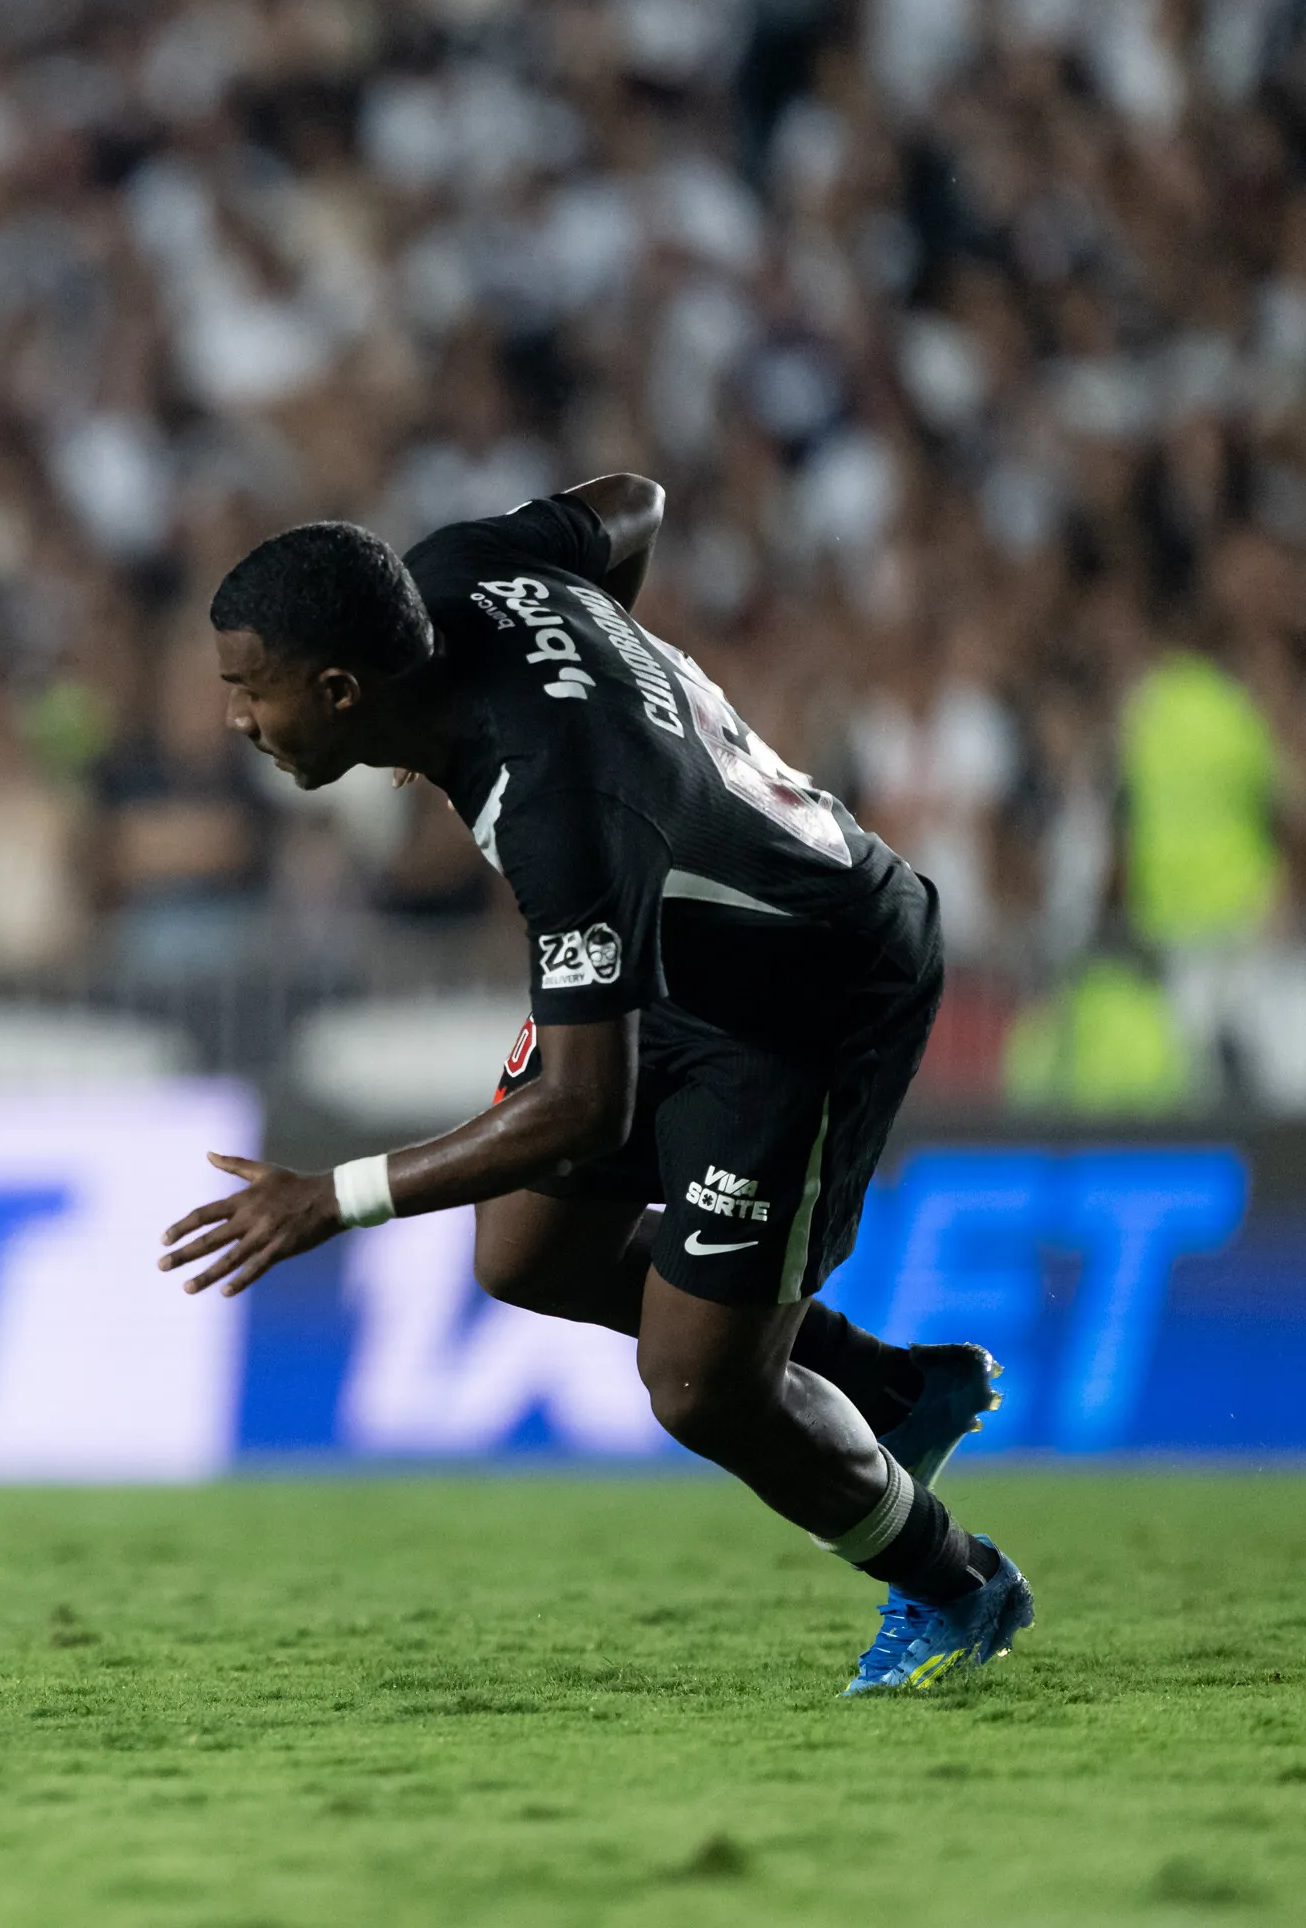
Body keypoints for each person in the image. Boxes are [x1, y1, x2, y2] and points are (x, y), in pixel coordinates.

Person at [157, 478, 1029, 1696]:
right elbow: (635, 501)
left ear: (344, 690)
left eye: (249, 688)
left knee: (698, 1384)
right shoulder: (459, 570)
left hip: (806, 991)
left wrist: (330, 1198)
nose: (238, 719)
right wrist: (606, 683)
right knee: (526, 1255)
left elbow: (584, 1106)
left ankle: (959, 1583)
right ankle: (887, 1385)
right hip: (669, 949)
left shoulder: (560, 802)